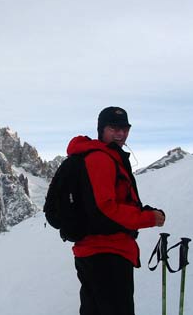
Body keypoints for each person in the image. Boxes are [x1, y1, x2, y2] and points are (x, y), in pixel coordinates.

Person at [67, 106, 165, 315]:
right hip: (107, 252)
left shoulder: (108, 156)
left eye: (125, 128)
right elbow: (106, 207)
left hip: (96, 251)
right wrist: (147, 218)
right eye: (114, 128)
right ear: (102, 130)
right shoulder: (100, 158)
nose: (121, 133)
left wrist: (144, 212)